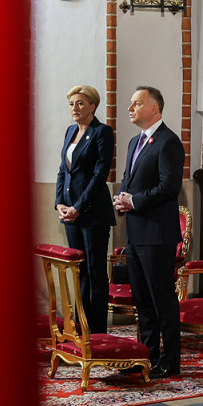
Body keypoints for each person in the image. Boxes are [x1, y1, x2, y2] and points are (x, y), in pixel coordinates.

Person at [113, 86, 186, 379]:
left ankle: (170, 360)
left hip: (157, 235)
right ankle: (147, 355)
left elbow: (169, 186)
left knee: (161, 300)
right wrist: (122, 198)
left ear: (154, 108)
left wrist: (135, 201)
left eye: (136, 103)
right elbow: (128, 179)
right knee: (142, 300)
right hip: (135, 233)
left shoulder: (169, 142)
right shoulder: (135, 141)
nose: (130, 108)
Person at [54, 85, 116, 334]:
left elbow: (100, 174)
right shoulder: (70, 131)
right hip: (71, 214)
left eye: (80, 103)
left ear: (92, 106)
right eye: (71, 104)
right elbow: (63, 171)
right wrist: (59, 203)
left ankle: (97, 332)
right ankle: (81, 328)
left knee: (95, 272)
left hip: (93, 214)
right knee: (79, 272)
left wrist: (79, 207)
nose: (75, 108)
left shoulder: (102, 132)